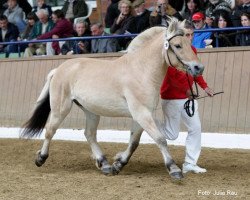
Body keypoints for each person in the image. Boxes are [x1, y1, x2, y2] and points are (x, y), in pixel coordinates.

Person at [160, 20, 214, 174]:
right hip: (171, 98)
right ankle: (148, 124)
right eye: (187, 35)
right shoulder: (173, 52)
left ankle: (190, 163)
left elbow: (195, 72)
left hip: (187, 99)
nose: (189, 38)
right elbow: (171, 77)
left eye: (191, 35)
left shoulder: (193, 50)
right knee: (171, 134)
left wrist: (205, 87)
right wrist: (186, 91)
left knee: (195, 129)